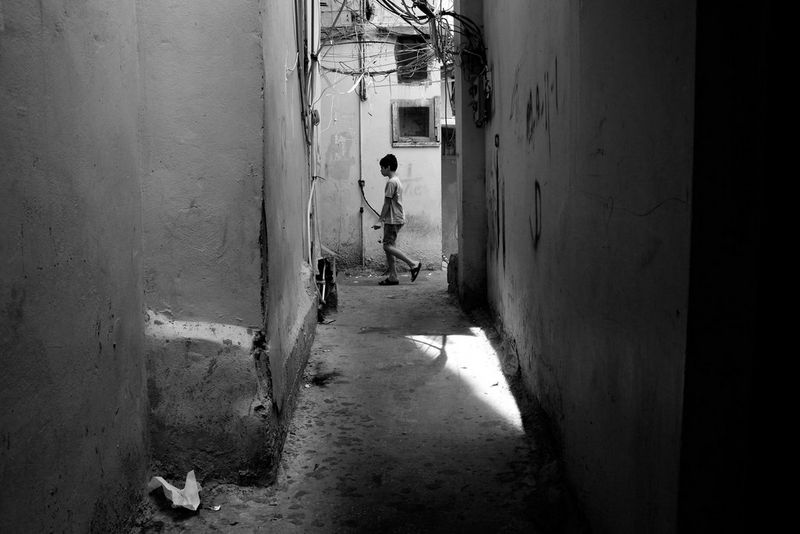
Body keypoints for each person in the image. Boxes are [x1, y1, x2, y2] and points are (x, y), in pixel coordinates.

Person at [374, 154, 421, 286]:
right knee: (390, 247)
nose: (381, 170)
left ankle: (413, 264)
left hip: (393, 219)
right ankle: (393, 276)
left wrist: (380, 220)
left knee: (387, 246)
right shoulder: (396, 180)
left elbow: (387, 203)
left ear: (388, 167)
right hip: (396, 217)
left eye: (382, 168)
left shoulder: (391, 182)